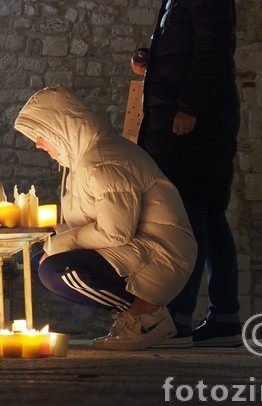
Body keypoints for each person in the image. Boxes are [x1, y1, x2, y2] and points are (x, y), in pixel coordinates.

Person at [130, 0, 243, 347]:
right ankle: (224, 317)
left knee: (190, 220)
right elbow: (186, 48)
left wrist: (190, 107)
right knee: (208, 218)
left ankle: (176, 314)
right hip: (189, 121)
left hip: (198, 125)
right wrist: (150, 60)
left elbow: (214, 50)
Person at [14, 84, 196, 351]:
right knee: (37, 260)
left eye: (40, 135)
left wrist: (58, 245)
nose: (38, 144)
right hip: (139, 247)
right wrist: (54, 235)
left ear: (61, 129)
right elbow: (95, 221)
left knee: (55, 270)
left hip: (160, 254)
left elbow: (116, 232)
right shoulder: (84, 159)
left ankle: (147, 316)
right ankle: (137, 315)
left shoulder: (103, 160)